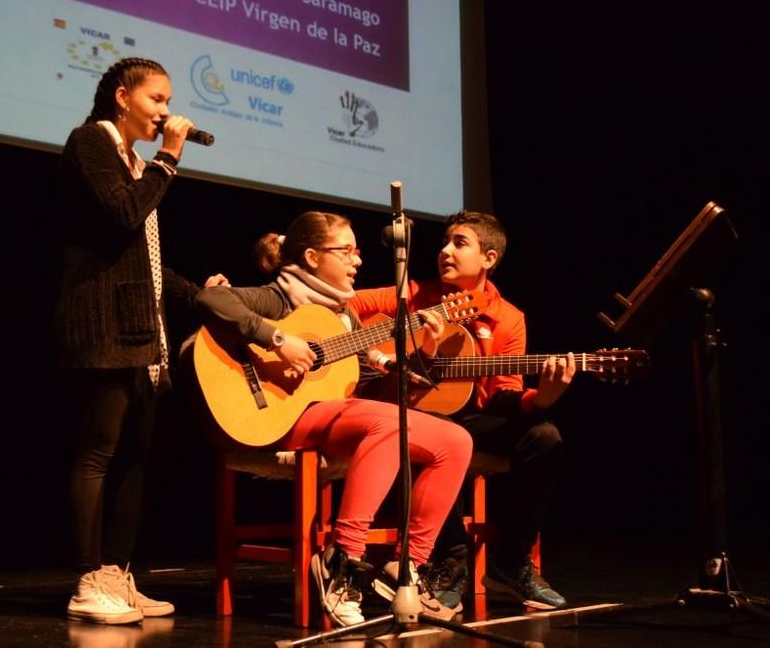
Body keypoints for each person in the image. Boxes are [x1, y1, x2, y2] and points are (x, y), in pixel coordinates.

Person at [193, 210, 473, 626]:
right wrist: (278, 339)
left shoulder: (344, 317)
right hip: (278, 416)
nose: (357, 260)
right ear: (311, 257)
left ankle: (408, 564)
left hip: (333, 415)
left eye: (356, 252)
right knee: (387, 423)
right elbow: (210, 300)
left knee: (455, 440)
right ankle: (342, 560)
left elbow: (374, 395)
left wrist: (423, 352)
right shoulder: (278, 298)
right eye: (346, 251)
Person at [54, 57, 227, 625]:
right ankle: (87, 581)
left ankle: (115, 575)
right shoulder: (90, 141)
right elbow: (122, 213)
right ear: (122, 97)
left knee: (135, 458)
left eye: (168, 101)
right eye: (157, 99)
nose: (166, 111)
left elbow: (145, 263)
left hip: (142, 328)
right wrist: (169, 158)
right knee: (98, 451)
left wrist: (198, 295)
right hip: (103, 322)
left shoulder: (132, 160)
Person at [349, 210, 573, 612]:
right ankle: (450, 563)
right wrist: (376, 352)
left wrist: (543, 398)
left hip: (478, 418)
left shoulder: (509, 319)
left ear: (489, 258)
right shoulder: (414, 294)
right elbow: (346, 305)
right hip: (422, 416)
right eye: (444, 242)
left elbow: (504, 395)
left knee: (545, 437)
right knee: (432, 428)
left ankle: (509, 564)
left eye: (459, 243)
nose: (445, 251)